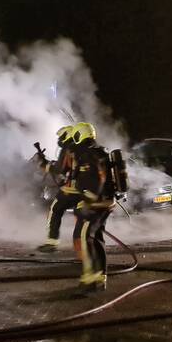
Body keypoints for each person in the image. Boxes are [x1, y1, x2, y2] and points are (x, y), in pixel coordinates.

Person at [69, 122, 116, 293]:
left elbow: (98, 179)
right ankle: (100, 277)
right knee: (97, 238)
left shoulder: (87, 154)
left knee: (85, 237)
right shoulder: (100, 151)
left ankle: (88, 279)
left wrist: (88, 201)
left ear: (79, 135)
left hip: (96, 204)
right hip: (107, 202)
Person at [37, 124, 79, 253]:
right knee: (83, 216)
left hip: (72, 190)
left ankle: (52, 242)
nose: (59, 140)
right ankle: (83, 243)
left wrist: (45, 165)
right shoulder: (82, 148)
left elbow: (60, 169)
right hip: (87, 190)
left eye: (61, 136)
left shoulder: (67, 148)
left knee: (55, 210)